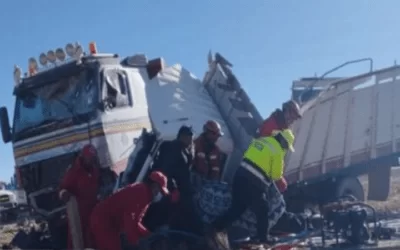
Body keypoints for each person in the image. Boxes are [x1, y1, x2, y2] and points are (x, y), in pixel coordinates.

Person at [212, 129, 295, 243]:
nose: (285, 149)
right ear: (284, 143)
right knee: (263, 209)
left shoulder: (262, 140)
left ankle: (215, 227)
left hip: (239, 176)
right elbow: (276, 175)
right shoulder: (277, 150)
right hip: (253, 184)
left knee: (237, 209)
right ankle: (263, 239)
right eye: (286, 146)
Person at [90, 171, 170, 250]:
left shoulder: (146, 195)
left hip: (108, 223)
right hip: (102, 220)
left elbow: (136, 221)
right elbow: (129, 218)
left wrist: (149, 235)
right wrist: (136, 241)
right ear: (154, 185)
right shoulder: (142, 192)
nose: (158, 193)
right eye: (159, 190)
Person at [59, 144, 100, 249]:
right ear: (83, 157)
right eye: (89, 158)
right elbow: (62, 189)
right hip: (78, 214)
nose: (91, 160)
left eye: (93, 158)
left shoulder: (94, 170)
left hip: (93, 211)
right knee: (77, 242)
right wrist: (64, 193)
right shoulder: (73, 171)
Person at [257, 100, 302, 193]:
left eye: (295, 118)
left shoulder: (279, 126)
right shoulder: (271, 126)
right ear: (286, 111)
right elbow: (272, 157)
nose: (292, 120)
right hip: (258, 171)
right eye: (292, 115)